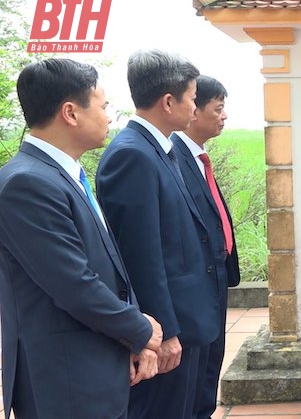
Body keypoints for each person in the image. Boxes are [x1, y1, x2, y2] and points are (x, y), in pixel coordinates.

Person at [0, 58, 162, 418]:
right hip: (66, 379)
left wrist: (135, 337)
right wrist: (140, 330)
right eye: (103, 106)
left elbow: (107, 267)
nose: (108, 117)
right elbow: (74, 283)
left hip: (95, 365)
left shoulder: (63, 175)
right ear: (70, 113)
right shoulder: (27, 184)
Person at [96, 50, 221, 419]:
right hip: (169, 330)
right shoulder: (132, 155)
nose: (196, 107)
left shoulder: (161, 150)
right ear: (169, 102)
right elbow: (140, 255)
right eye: (193, 98)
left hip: (189, 322)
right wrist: (161, 333)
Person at [169, 75, 240, 419]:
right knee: (191, 382)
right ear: (193, 111)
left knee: (208, 372)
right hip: (193, 289)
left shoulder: (196, 157)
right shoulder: (174, 159)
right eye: (218, 108)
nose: (224, 115)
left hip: (214, 279)